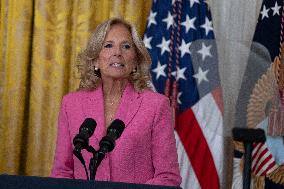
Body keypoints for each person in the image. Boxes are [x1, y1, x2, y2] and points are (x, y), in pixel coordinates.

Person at [51, 18, 182, 187]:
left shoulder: (156, 106)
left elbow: (168, 177)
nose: (117, 52)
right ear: (96, 60)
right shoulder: (71, 104)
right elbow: (62, 172)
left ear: (135, 61)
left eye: (126, 46)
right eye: (108, 45)